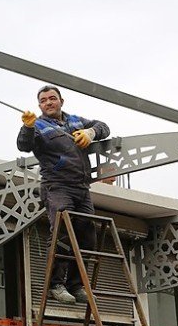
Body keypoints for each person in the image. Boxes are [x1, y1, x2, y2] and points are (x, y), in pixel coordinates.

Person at [17, 85, 109, 304]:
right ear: (39, 105)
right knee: (62, 229)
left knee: (87, 235)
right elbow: (23, 145)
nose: (48, 102)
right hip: (57, 186)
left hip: (81, 187)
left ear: (61, 101)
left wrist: (90, 132)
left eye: (52, 98)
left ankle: (76, 285)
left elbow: (103, 126)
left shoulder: (76, 121)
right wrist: (27, 128)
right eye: (43, 100)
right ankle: (55, 285)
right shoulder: (38, 125)